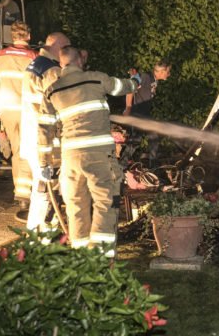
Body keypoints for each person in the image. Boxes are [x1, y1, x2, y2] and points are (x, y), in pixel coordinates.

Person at [37, 46, 137, 257]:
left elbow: (44, 128)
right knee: (105, 202)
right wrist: (136, 81)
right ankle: (100, 257)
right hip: (99, 157)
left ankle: (81, 257)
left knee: (75, 207)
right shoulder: (95, 79)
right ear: (80, 60)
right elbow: (120, 87)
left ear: (61, 64)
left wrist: (45, 162)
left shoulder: (52, 91)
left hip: (71, 160)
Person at [0, 21, 38, 221]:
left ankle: (22, 193)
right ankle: (25, 195)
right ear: (28, 36)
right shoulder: (33, 57)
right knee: (26, 151)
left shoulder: (0, 56)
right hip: (28, 111)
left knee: (17, 151)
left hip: (7, 112)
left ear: (12, 36)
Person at [21, 32, 70, 231]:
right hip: (45, 141)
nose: (67, 53)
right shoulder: (51, 70)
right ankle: (38, 235)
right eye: (66, 48)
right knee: (45, 189)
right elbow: (59, 103)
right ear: (57, 47)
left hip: (33, 136)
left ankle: (40, 233)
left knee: (42, 188)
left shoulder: (35, 65)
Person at [123, 61, 171, 166]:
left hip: (145, 115)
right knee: (135, 141)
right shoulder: (145, 77)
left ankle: (153, 165)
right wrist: (128, 108)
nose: (169, 74)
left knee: (153, 137)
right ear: (162, 71)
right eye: (168, 72)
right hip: (137, 114)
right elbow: (130, 89)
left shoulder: (153, 79)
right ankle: (122, 165)